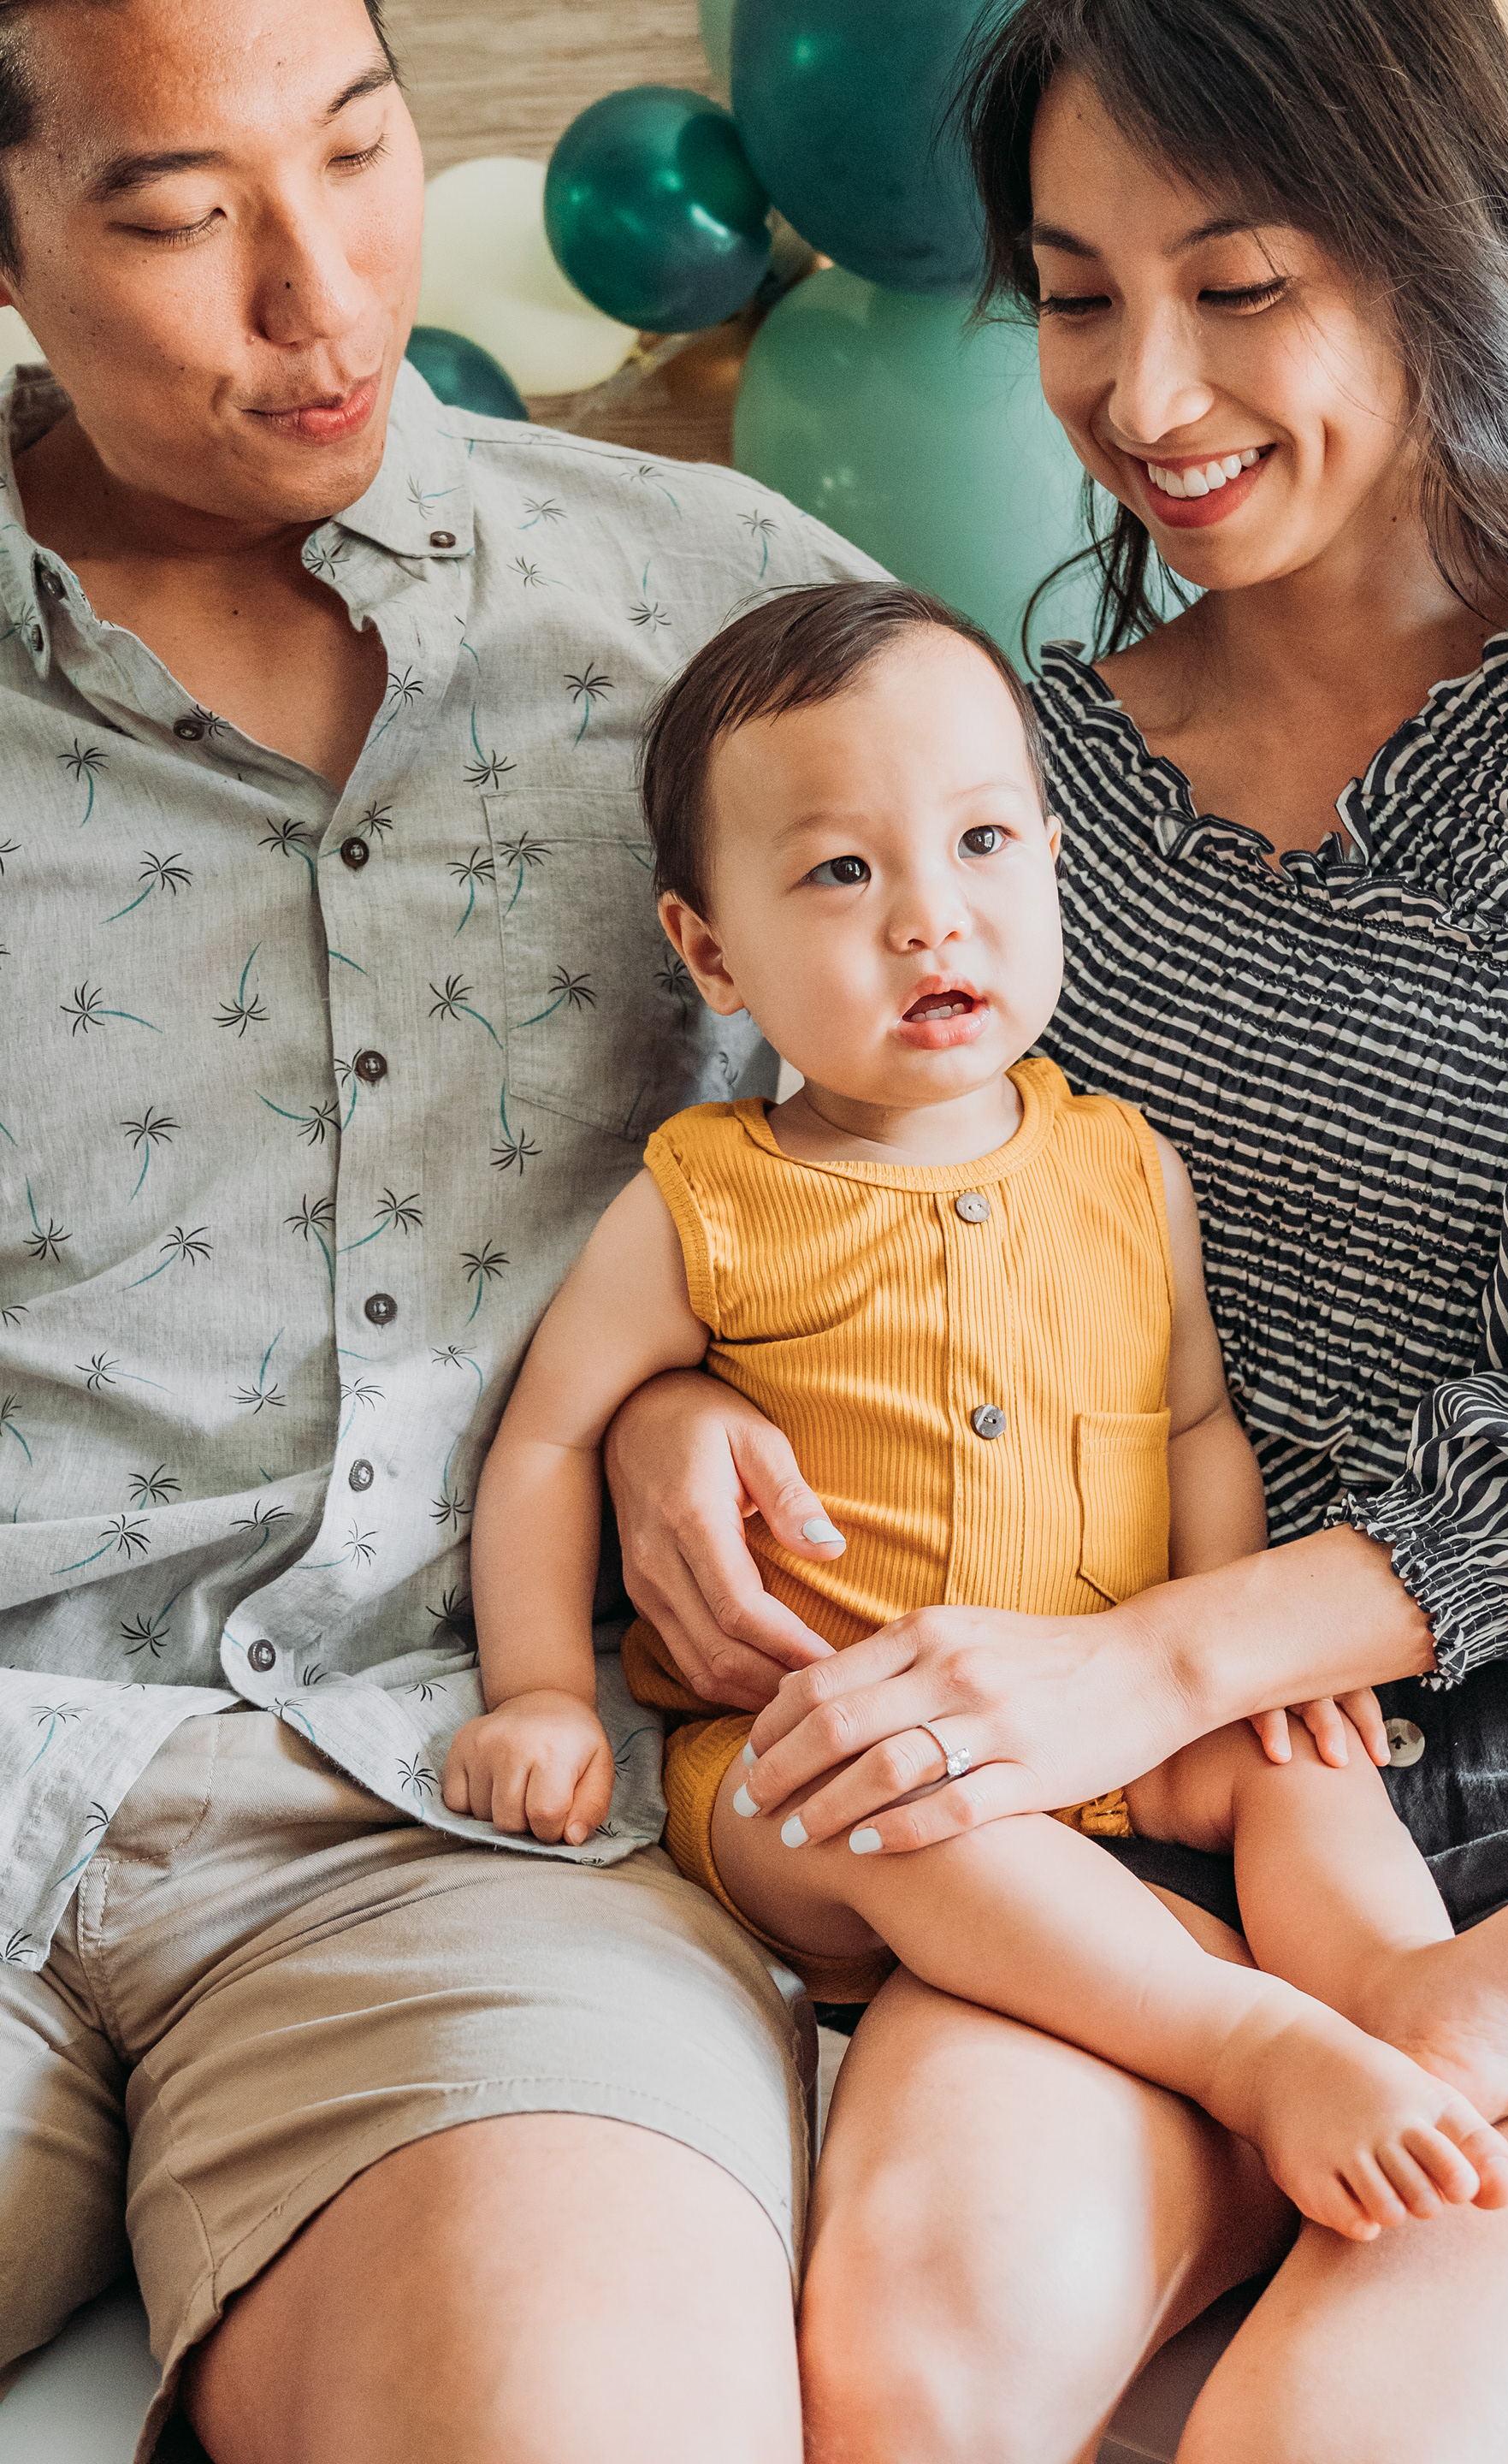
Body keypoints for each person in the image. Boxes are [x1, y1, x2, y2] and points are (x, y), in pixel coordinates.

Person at [601, 3, 1508, 2457]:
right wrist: (663, 1419)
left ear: (1442, 246)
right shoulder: (999, 785)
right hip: (1108, 1814)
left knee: (1336, 2435)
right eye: (1076, 298)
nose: (1144, 395)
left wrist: (1161, 1659)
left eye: (1240, 285)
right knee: (915, 2371)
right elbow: (807, 1192)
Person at [0, 1, 882, 2457]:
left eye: (360, 151)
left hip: (472, 1819)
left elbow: (990, 1157)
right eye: (183, 217)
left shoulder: (737, 621)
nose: (322, 292)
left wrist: (684, 1369)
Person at [457, 570, 1508, 2241]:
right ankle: (1254, 2047)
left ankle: (1398, 1984)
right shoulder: (705, 1197)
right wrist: (537, 1697)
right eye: (843, 871)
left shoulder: (1124, 1161)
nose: (929, 919)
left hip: (1111, 1716)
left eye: (984, 845)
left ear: (1056, 863)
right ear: (711, 951)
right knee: (916, 1816)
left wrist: (1235, 1654)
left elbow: (1195, 1430)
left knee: (1300, 1764)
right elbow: (549, 1439)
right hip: (812, 1754)